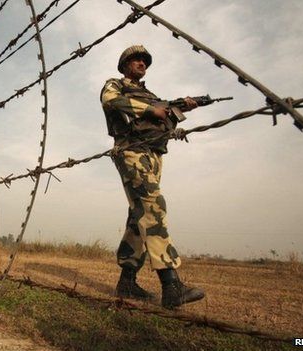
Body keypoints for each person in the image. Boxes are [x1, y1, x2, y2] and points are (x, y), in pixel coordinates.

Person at [100, 45, 205, 309]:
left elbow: (162, 122)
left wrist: (179, 111)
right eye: (135, 60)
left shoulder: (151, 95)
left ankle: (127, 282)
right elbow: (110, 100)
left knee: (140, 216)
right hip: (131, 151)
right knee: (154, 208)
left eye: (144, 60)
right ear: (124, 65)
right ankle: (171, 285)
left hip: (154, 155)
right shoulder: (115, 84)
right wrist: (151, 110)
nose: (141, 63)